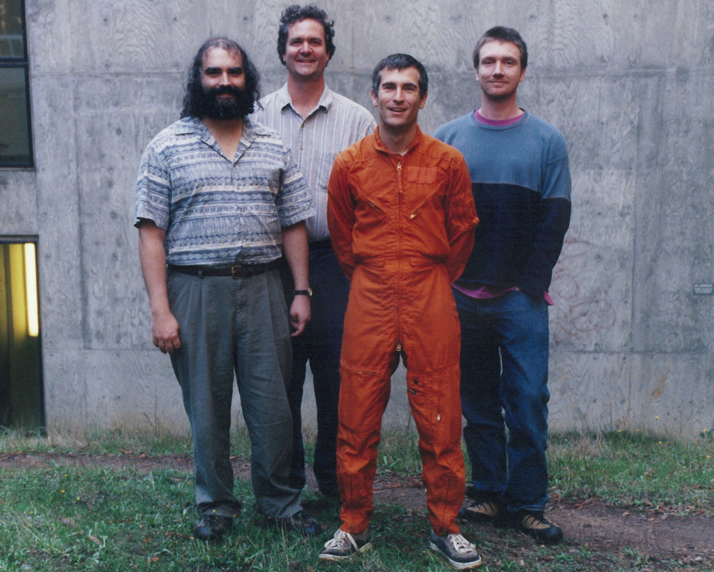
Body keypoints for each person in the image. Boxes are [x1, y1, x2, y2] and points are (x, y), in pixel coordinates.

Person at [135, 37, 321, 542]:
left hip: (265, 288)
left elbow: (293, 225)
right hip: (195, 292)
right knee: (207, 407)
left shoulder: (273, 145)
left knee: (273, 405)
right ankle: (216, 505)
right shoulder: (166, 146)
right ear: (199, 80)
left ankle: (280, 503)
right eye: (214, 72)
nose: (224, 82)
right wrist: (160, 310)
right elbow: (151, 232)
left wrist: (300, 290)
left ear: (247, 79)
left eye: (234, 73)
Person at [320, 54, 482, 570]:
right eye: (388, 86)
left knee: (440, 416)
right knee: (357, 414)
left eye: (408, 88)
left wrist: (427, 276)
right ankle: (353, 524)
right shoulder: (349, 165)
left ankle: (445, 526)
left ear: (422, 97)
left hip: (429, 290)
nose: (397, 96)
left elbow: (463, 233)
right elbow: (342, 238)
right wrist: (375, 275)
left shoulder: (447, 162)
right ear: (374, 95)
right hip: (368, 293)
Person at [434, 26, 572, 544]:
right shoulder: (447, 138)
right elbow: (433, 218)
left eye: (507, 61)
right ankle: (489, 493)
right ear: (476, 70)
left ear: (521, 70)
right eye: (488, 61)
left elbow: (555, 217)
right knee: (477, 404)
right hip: (460, 298)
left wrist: (530, 286)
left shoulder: (547, 140)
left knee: (529, 400)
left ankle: (529, 504)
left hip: (519, 301)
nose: (497, 69)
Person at [252, 4, 376, 499]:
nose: (305, 48)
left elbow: (374, 196)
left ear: (328, 51)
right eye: (296, 41)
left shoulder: (357, 120)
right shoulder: (254, 116)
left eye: (315, 41)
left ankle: (333, 479)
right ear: (283, 50)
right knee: (279, 380)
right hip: (269, 267)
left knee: (336, 378)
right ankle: (285, 482)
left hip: (334, 264)